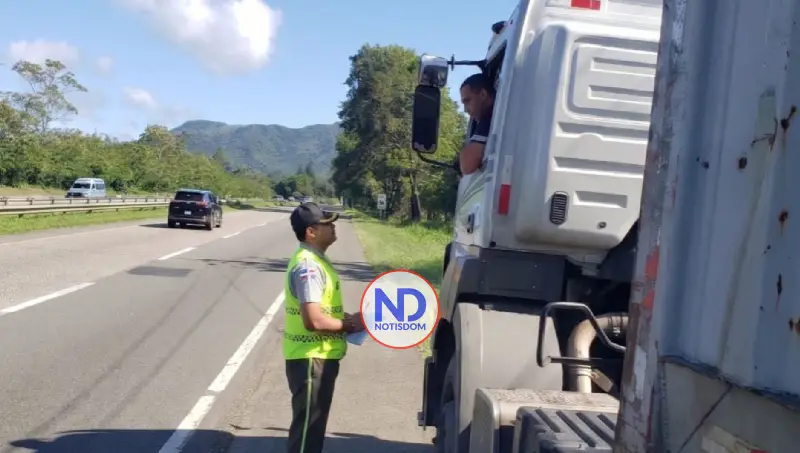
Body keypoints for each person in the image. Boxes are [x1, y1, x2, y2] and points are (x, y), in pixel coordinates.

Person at [283, 202, 365, 453]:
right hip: (311, 359)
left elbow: (322, 312)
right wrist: (349, 325)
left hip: (317, 356)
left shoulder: (316, 261)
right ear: (311, 231)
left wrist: (346, 319)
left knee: (313, 430)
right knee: (307, 434)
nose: (333, 226)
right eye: (327, 223)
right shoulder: (309, 266)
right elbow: (314, 321)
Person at [458, 72, 496, 175]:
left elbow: (467, 166)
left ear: (483, 94)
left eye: (467, 101)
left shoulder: (490, 118)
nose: (466, 110)